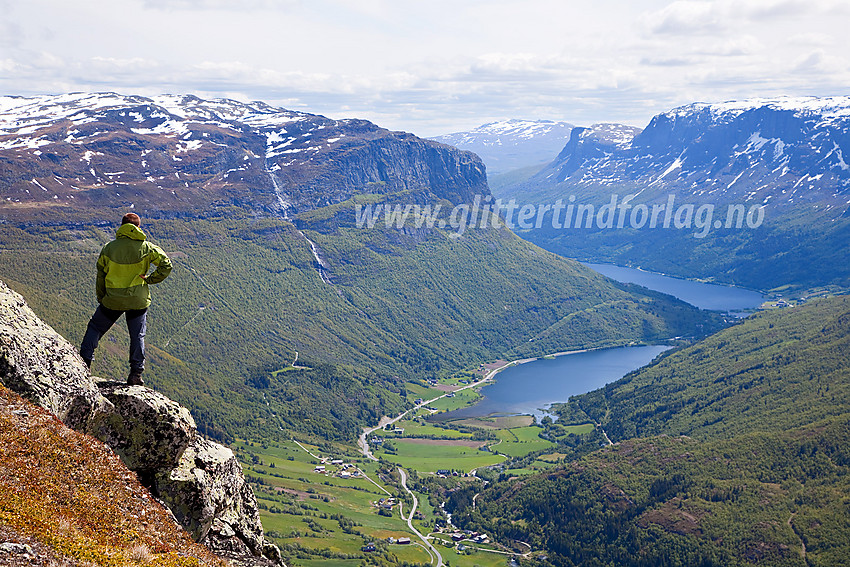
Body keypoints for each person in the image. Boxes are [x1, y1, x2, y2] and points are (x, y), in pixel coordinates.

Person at [80, 213, 172, 385]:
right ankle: (136, 374)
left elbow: (101, 275)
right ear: (138, 227)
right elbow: (167, 265)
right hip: (137, 301)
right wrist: (150, 279)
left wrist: (102, 297)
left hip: (112, 299)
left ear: (122, 226)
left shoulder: (109, 248)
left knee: (95, 328)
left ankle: (84, 365)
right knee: (137, 335)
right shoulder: (147, 248)